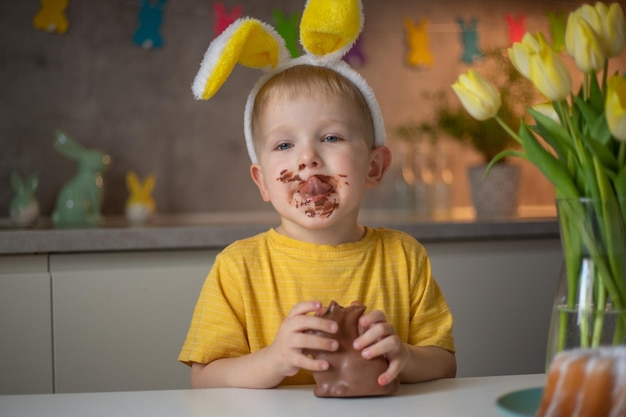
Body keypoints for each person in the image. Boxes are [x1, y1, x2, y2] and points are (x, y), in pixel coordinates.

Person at [178, 0, 455, 390]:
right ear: (262, 181)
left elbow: (444, 364)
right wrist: (272, 361)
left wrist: (405, 357)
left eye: (330, 137)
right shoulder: (237, 269)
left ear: (374, 167)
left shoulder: (405, 258)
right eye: (284, 145)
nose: (307, 158)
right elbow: (203, 380)